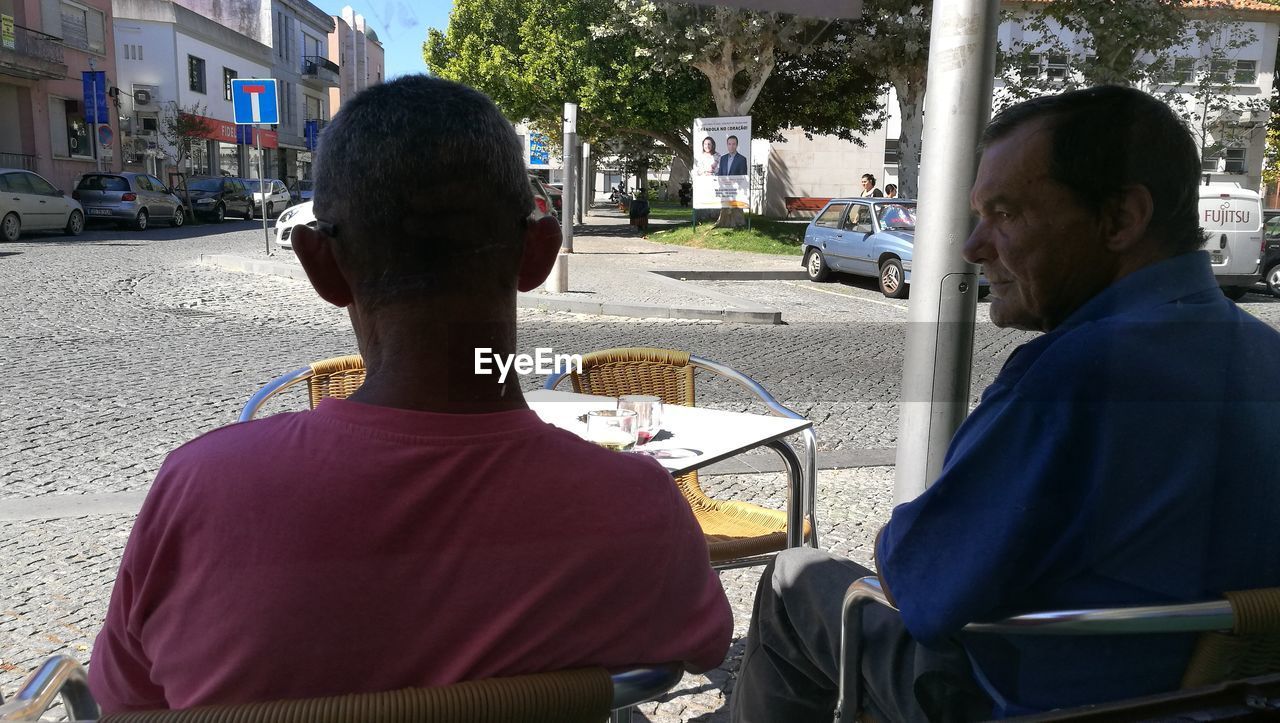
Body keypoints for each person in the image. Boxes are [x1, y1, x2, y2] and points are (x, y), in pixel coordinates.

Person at [88, 75, 733, 714]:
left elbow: (125, 703)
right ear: (538, 255)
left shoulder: (199, 493)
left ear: (320, 266)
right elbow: (705, 645)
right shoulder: (637, 509)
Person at [730, 85, 1280, 722]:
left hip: (1030, 700)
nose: (972, 246)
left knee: (793, 577)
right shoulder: (1264, 352)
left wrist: (906, 537)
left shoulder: (1072, 375)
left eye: (1006, 213)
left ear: (1120, 219)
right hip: (1217, 701)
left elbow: (924, 588)